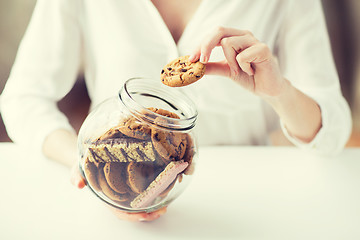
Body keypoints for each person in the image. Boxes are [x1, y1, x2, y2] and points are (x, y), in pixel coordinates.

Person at [0, 0, 352, 221]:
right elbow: (23, 98)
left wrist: (279, 91)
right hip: (116, 208)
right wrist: (87, 164)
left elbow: (334, 131)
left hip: (247, 209)